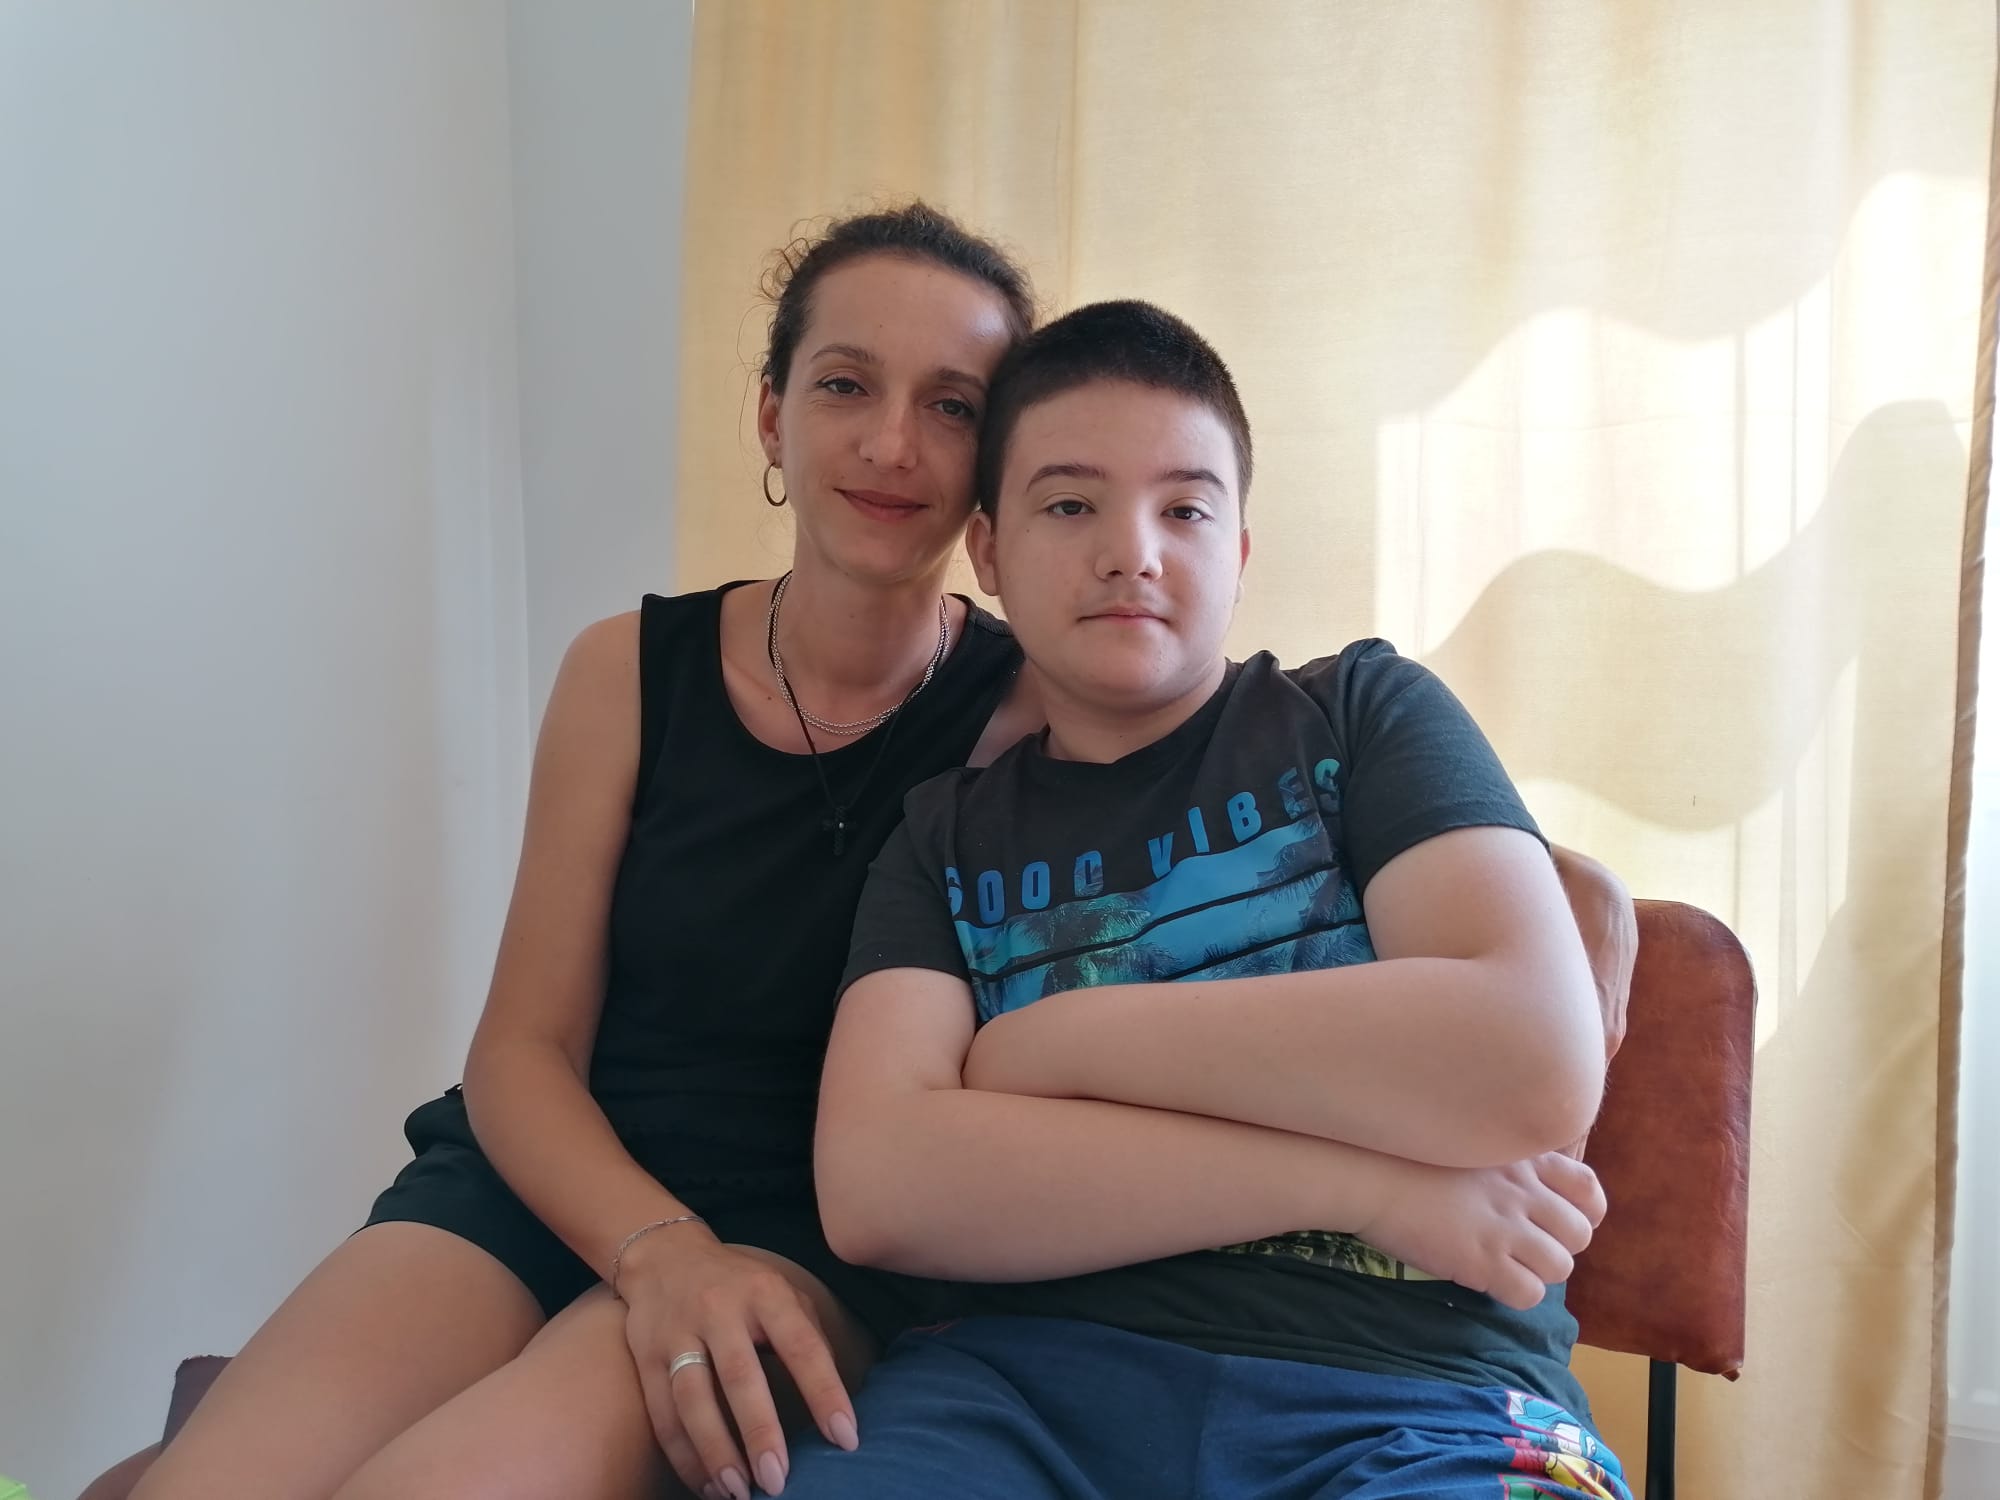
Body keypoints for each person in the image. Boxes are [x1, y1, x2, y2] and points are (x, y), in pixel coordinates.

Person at [128, 203, 1044, 1500]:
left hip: (799, 1242)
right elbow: (522, 1049)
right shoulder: (625, 669)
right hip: (544, 1178)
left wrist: (691, 1267)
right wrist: (651, 1245)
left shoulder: (1026, 720)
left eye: (951, 407)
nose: (892, 443)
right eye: (845, 384)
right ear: (772, 416)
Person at [788, 300, 1633, 1498]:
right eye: (1068, 505)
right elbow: (880, 1188)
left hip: (1417, 1398)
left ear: (1237, 551)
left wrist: (1052, 1045)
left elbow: (1525, 1057)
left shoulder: (1362, 717)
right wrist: (1366, 1188)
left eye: (1183, 509)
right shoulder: (944, 836)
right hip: (1017, 1394)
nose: (1130, 551)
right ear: (988, 552)